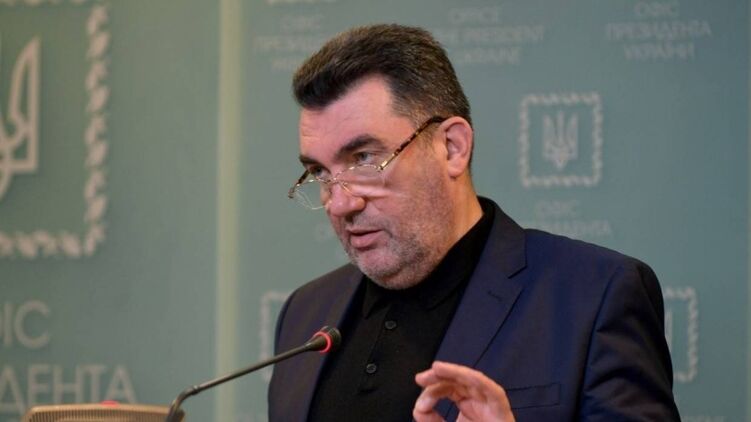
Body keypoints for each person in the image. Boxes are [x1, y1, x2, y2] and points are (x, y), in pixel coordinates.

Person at [268, 24, 681, 421]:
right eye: (320, 172)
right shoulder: (305, 314)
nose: (339, 203)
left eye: (364, 159)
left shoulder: (594, 296)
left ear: (452, 147)